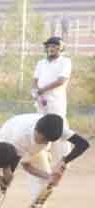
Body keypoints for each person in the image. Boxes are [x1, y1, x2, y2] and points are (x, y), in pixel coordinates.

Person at [0, 113, 87, 208]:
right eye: (44, 139)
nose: (45, 143)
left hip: (30, 150)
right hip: (2, 147)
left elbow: (83, 144)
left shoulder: (53, 128)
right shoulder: (20, 136)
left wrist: (61, 163)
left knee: (45, 185)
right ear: (36, 130)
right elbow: (19, 165)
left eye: (48, 141)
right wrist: (5, 183)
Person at [33, 37, 73, 165]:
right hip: (41, 101)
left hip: (56, 101)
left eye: (55, 46)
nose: (51, 48)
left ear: (61, 48)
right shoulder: (41, 63)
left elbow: (61, 81)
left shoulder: (65, 62)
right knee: (42, 126)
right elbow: (35, 79)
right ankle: (45, 154)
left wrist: (42, 89)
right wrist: (35, 91)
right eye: (49, 46)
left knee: (59, 127)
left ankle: (65, 158)